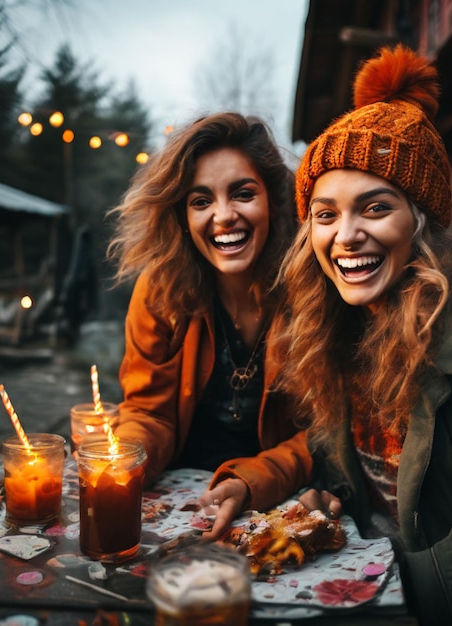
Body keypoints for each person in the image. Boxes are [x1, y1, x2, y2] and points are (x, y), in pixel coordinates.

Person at [268, 45, 452, 625]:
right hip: (369, 593)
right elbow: (375, 482)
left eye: (374, 208)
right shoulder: (337, 331)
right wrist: (330, 504)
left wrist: (423, 582)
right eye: (325, 215)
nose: (346, 235)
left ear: (421, 221)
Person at [107, 112, 312, 520]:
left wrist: (254, 481)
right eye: (201, 201)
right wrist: (126, 460)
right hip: (177, 503)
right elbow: (148, 411)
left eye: (242, 193)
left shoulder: (312, 293)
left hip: (279, 500)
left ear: (273, 199)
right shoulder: (159, 291)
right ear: (182, 217)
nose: (223, 216)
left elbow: (328, 434)